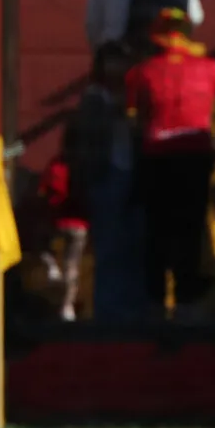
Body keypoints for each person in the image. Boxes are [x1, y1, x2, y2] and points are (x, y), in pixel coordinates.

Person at [126, 8, 215, 312]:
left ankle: (154, 303)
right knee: (191, 230)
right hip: (196, 155)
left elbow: (131, 122)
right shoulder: (212, 69)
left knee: (156, 232)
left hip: (156, 159)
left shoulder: (141, 72)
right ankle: (188, 301)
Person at [78, 42, 145, 322]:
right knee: (108, 246)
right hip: (108, 175)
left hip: (136, 176)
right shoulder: (95, 97)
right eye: (111, 62)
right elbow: (88, 134)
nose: (117, 69)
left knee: (136, 244)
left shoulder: (138, 95)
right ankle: (108, 312)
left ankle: (135, 309)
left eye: (121, 62)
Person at [36, 123, 88, 322]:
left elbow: (43, 190)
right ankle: (67, 307)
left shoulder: (56, 164)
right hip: (80, 223)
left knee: (40, 241)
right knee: (72, 265)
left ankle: (51, 266)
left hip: (57, 219)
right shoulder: (83, 165)